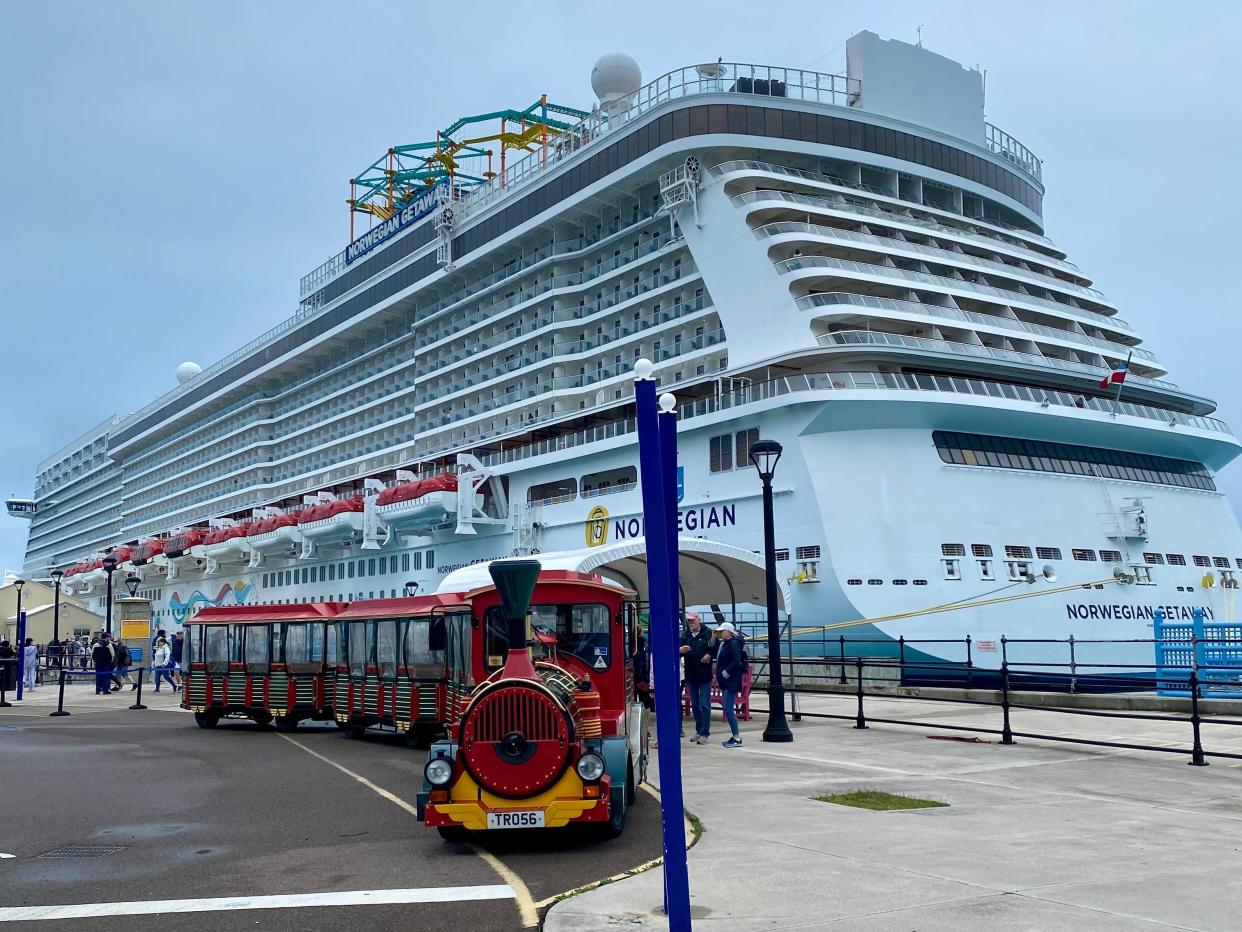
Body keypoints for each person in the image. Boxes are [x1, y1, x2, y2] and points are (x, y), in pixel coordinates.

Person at [679, 611, 716, 744]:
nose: (691, 623)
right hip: (691, 674)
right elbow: (676, 651)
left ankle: (705, 732)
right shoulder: (685, 634)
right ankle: (699, 730)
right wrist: (680, 650)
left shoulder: (708, 633)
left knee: (704, 704)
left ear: (699, 620)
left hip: (704, 674)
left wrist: (709, 655)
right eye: (689, 621)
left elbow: (715, 648)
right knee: (695, 705)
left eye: (693, 620)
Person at [714, 622, 745, 748]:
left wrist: (725, 673)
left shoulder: (733, 644)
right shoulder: (727, 644)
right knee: (728, 708)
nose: (721, 633)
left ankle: (736, 737)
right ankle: (735, 736)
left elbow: (736, 661)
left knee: (728, 709)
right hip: (727, 681)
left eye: (723, 631)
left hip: (731, 681)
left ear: (729, 632)